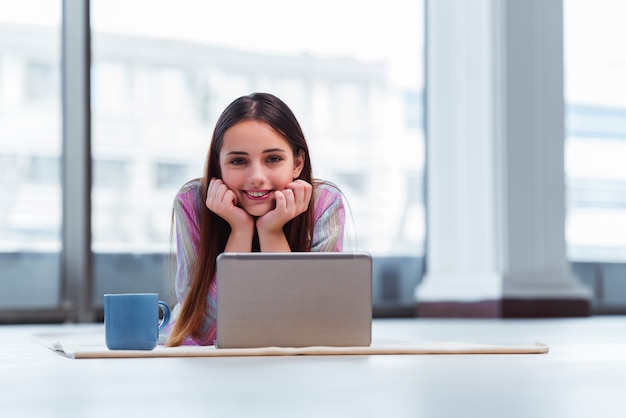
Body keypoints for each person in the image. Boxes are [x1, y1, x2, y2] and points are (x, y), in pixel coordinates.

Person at [163, 92, 346, 346]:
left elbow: (303, 327)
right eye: (238, 161)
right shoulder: (192, 202)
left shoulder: (324, 203)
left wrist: (271, 232)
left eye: (273, 159)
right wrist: (240, 230)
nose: (257, 177)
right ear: (218, 166)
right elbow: (203, 331)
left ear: (297, 163)